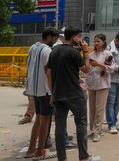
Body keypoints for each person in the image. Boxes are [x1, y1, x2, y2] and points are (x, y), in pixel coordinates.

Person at [46, 26, 100, 161]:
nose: (81, 39)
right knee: (81, 124)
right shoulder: (74, 53)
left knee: (60, 126)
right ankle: (84, 157)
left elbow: (49, 72)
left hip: (58, 94)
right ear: (74, 37)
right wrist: (86, 51)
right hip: (75, 94)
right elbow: (87, 69)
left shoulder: (54, 51)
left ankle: (62, 158)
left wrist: (52, 92)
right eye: (80, 37)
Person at [22, 27, 59, 159]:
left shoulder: (33, 47)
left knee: (38, 120)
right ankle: (39, 152)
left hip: (34, 90)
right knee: (45, 121)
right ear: (49, 38)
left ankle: (31, 149)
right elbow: (48, 72)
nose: (54, 42)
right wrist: (52, 93)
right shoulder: (47, 51)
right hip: (45, 91)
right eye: (54, 39)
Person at [85, 33, 118, 142]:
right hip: (91, 82)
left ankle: (98, 131)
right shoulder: (92, 54)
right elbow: (87, 67)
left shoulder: (108, 54)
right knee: (92, 108)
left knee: (99, 108)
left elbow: (112, 68)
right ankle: (92, 129)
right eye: (95, 41)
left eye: (98, 41)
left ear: (103, 42)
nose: (96, 43)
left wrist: (98, 65)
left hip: (103, 84)